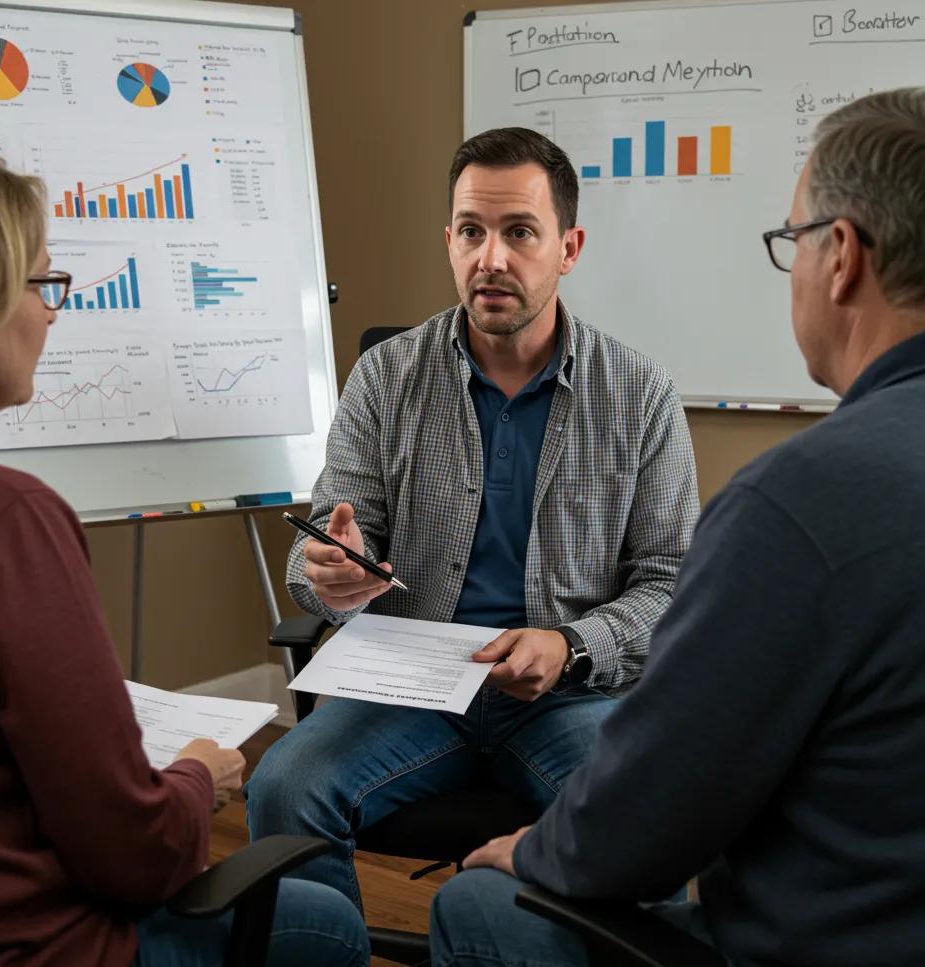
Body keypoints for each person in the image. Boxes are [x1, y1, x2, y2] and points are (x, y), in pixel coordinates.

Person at [429, 87, 925, 967]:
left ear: (844, 257)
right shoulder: (390, 375)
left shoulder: (797, 504)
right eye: (469, 231)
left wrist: (534, 853)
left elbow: (656, 812)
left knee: (474, 908)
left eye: (793, 242)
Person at [0, 141, 370, 967]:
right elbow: (137, 857)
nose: (51, 316)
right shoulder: (2, 523)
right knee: (328, 930)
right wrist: (199, 775)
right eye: (42, 286)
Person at [246, 127, 699, 909]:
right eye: (471, 232)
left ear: (569, 247)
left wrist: (568, 644)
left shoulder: (640, 394)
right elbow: (325, 552)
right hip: (411, 689)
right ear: (449, 241)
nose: (491, 257)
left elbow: (670, 585)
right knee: (284, 788)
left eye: (519, 232)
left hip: (570, 697)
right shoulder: (386, 377)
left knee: (651, 812)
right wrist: (334, 575)